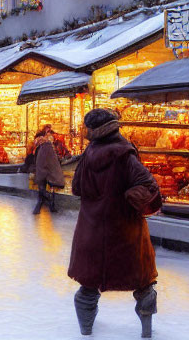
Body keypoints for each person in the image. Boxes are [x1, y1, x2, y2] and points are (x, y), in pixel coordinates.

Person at [68, 109, 161, 338]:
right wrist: (131, 198)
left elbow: (77, 187)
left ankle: (86, 330)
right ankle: (146, 331)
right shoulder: (125, 155)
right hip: (126, 233)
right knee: (143, 284)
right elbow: (149, 188)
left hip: (91, 230)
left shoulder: (88, 154)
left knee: (88, 286)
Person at [32, 126, 65, 214]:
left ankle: (40, 206)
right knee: (51, 185)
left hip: (42, 164)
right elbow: (60, 153)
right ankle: (51, 204)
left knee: (42, 184)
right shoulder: (49, 142)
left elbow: (32, 153)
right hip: (50, 163)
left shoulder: (38, 142)